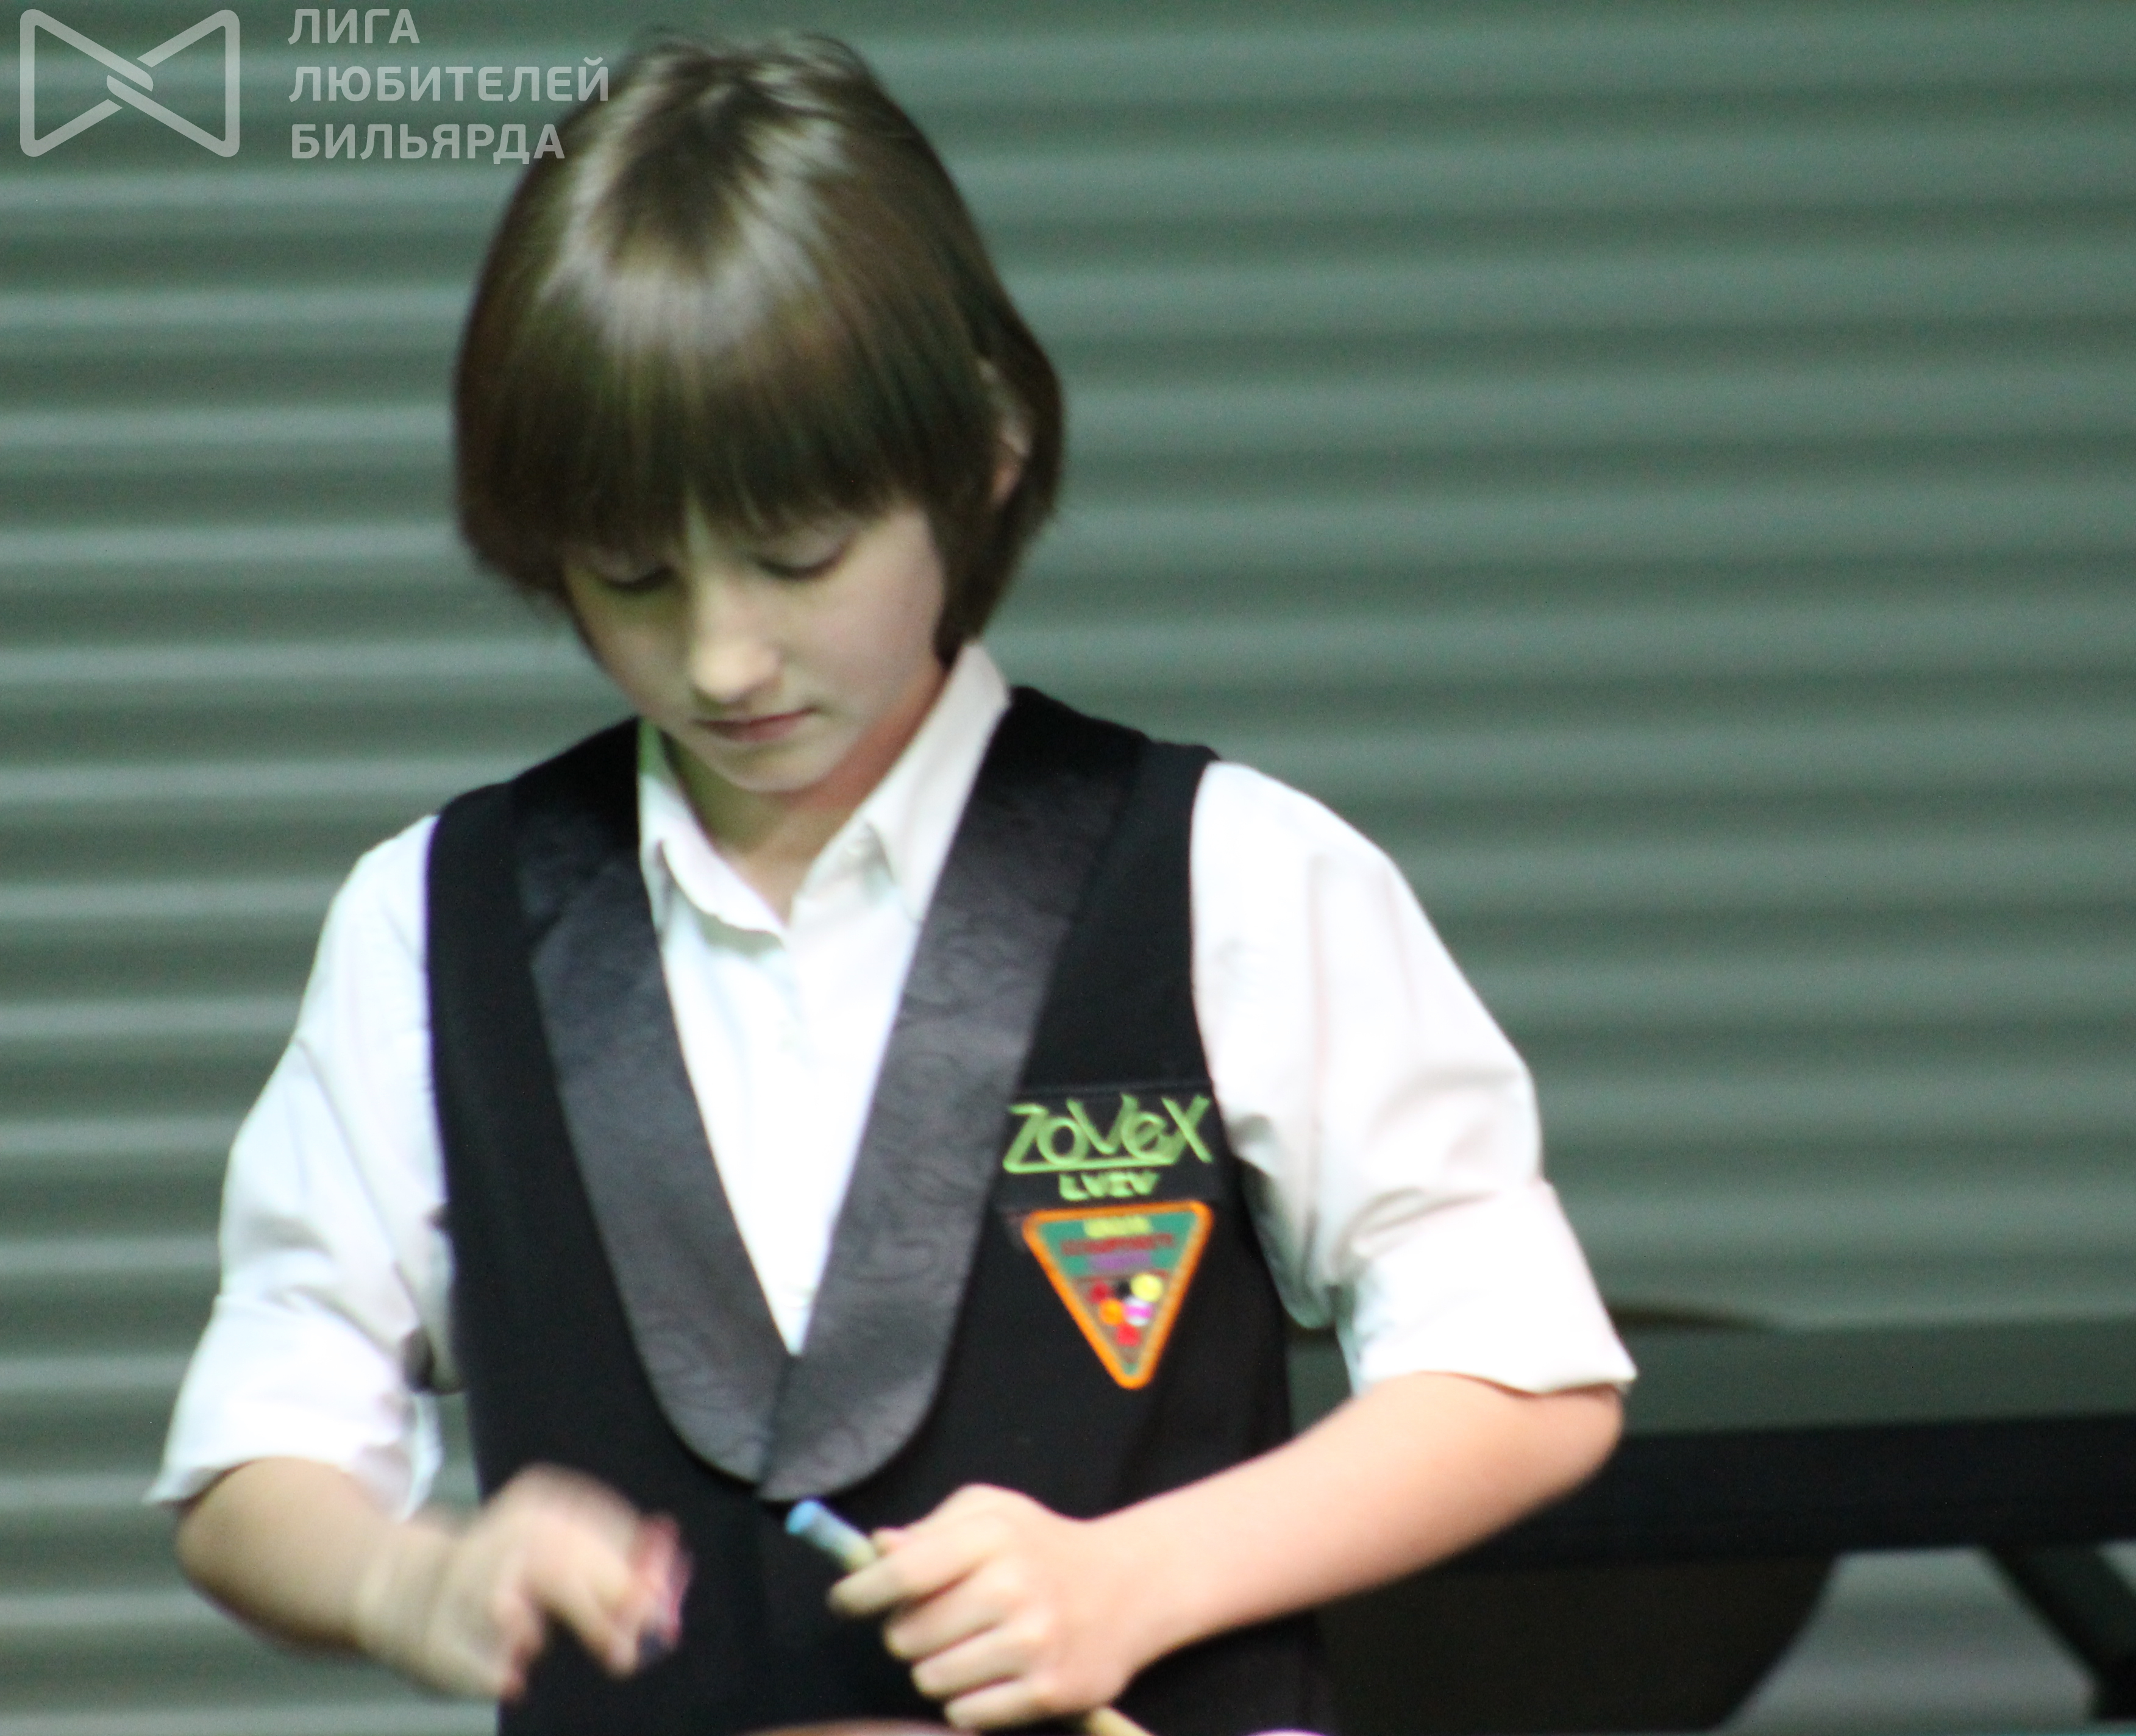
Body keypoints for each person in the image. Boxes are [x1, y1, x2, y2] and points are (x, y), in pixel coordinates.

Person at [155, 34, 1632, 1736]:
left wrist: (1140, 1578)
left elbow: (1525, 1373)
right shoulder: (434, 919)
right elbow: (256, 1454)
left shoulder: (1229, 872)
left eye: (797, 556)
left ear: (981, 455)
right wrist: (400, 1579)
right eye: (631, 576)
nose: (724, 657)